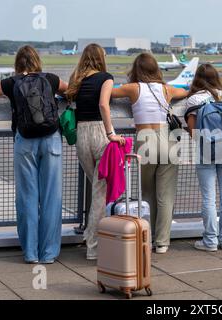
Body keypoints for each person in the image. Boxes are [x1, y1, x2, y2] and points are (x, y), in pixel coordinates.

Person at [0, 45, 68, 263]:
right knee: (51, 198)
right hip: (51, 139)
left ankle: (30, 253)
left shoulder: (11, 83)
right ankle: (49, 254)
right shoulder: (51, 79)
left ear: (18, 64)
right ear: (37, 61)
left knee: (27, 197)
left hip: (25, 141)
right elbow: (71, 91)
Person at [112, 53, 188, 254]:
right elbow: (183, 91)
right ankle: (162, 242)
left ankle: (150, 236)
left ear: (136, 70)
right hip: (168, 139)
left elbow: (110, 93)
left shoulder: (133, 88)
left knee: (147, 193)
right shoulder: (166, 89)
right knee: (166, 195)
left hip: (145, 139)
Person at [66, 43, 126, 260]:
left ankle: (90, 236)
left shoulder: (76, 78)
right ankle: (94, 247)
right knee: (100, 192)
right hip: (99, 132)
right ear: (101, 57)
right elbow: (103, 104)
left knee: (96, 188)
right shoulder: (106, 77)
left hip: (81, 133)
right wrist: (110, 133)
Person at [184, 64, 222, 252]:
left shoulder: (193, 100)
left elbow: (193, 132)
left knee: (208, 197)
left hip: (205, 150)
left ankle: (210, 241)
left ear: (197, 78)